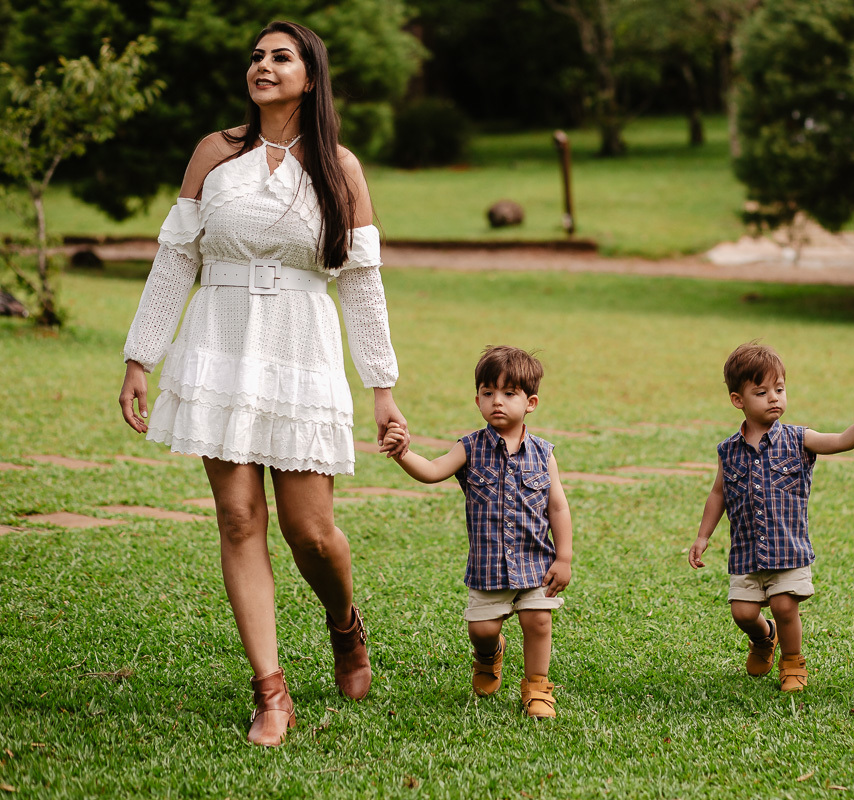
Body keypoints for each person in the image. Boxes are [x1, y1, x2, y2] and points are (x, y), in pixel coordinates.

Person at [118, 21, 409, 746]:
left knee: (311, 532)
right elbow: (175, 258)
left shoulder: (340, 166)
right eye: (256, 56)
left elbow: (363, 284)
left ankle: (345, 625)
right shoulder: (215, 154)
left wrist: (382, 384)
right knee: (240, 517)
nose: (263, 65)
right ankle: (271, 692)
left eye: (281, 56)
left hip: (302, 347)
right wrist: (139, 357)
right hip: (218, 342)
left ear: (312, 75)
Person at [382, 346, 573, 719]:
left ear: (530, 402)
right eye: (488, 393)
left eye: (508, 393)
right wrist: (404, 453)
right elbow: (433, 470)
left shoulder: (543, 453)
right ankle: (489, 654)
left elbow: (558, 507)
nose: (496, 402)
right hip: (488, 566)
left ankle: (537, 688)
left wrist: (563, 556)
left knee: (538, 621)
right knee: (483, 629)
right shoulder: (469, 447)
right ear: (477, 400)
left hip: (535, 560)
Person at [688, 342, 854, 692]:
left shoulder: (799, 438)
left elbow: (840, 441)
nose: (774, 398)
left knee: (783, 603)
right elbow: (718, 493)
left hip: (787, 549)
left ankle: (792, 661)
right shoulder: (728, 450)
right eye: (761, 392)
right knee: (743, 614)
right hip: (747, 551)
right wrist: (703, 536)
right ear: (739, 400)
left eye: (779, 389)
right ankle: (765, 639)